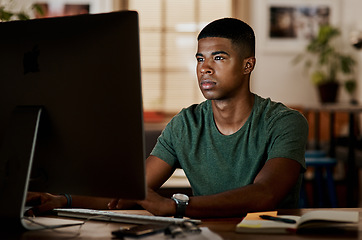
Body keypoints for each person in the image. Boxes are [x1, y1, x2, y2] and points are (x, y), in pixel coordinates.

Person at [27, 18, 308, 218]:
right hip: (206, 234)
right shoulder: (185, 124)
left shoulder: (284, 122)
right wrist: (62, 199)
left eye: (219, 58)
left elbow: (265, 193)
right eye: (200, 59)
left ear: (248, 65)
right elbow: (134, 192)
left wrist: (176, 206)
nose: (205, 68)